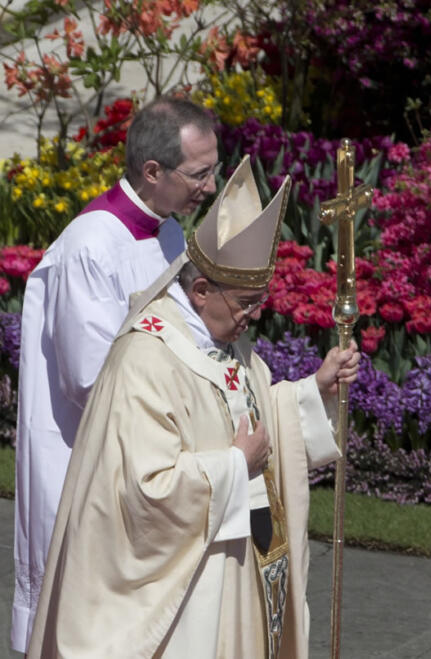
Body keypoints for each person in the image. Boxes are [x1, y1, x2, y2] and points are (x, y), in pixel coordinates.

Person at [28, 155, 359, 657]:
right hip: (184, 594)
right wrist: (233, 466)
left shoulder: (224, 341)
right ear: (201, 290)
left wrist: (314, 390)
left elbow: (246, 411)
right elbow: (143, 490)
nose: (252, 316)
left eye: (259, 302)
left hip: (238, 566)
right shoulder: (145, 358)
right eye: (246, 302)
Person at [11, 96, 221, 653]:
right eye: (200, 174)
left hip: (149, 458)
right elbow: (90, 378)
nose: (211, 187)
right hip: (94, 463)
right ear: (153, 172)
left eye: (214, 170)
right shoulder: (90, 246)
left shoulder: (169, 232)